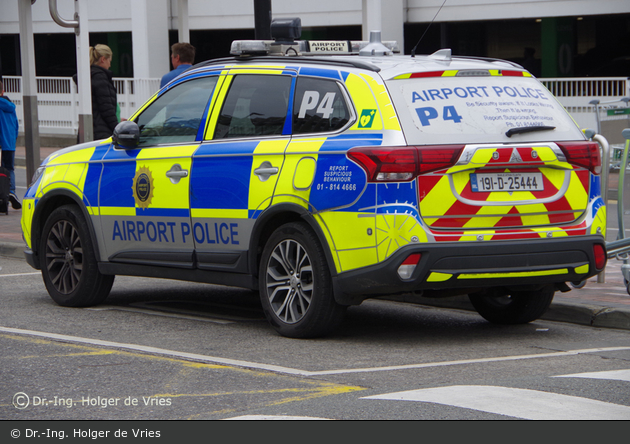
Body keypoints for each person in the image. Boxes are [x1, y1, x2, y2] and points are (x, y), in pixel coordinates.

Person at [90, 44, 119, 139]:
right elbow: (107, 109)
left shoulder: (89, 76)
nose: (110, 65)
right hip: (102, 133)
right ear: (103, 59)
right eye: (109, 61)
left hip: (92, 129)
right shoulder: (100, 78)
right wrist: (118, 129)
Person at [0, 79, 21, 210]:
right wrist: (12, 140)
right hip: (9, 143)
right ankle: (11, 191)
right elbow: (16, 126)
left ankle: (2, 194)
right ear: (3, 91)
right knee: (9, 169)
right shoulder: (10, 106)